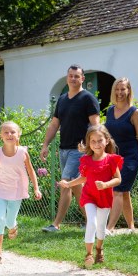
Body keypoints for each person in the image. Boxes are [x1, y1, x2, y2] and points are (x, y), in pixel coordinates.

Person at [40, 64, 101, 232]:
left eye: (77, 76)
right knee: (76, 186)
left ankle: (56, 224)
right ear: (67, 78)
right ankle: (92, 222)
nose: (73, 78)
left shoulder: (88, 98)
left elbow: (96, 125)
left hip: (79, 150)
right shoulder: (62, 99)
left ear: (82, 79)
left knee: (65, 182)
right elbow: (54, 125)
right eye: (71, 75)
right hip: (63, 149)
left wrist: (90, 145)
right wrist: (45, 144)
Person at [58, 125, 122, 268]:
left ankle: (99, 249)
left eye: (100, 140)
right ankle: (89, 254)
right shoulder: (86, 159)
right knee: (91, 222)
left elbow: (118, 179)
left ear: (106, 141)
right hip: (89, 196)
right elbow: (83, 178)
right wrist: (68, 184)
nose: (97, 144)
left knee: (100, 227)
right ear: (88, 143)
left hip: (104, 197)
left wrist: (106, 185)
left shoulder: (111, 159)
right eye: (93, 141)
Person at [0, 121, 42, 265]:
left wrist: (36, 188)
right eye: (6, 132)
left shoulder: (23, 152)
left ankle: (13, 226)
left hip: (16, 190)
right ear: (1, 136)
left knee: (9, 221)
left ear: (18, 134)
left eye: (13, 132)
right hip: (1, 189)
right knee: (0, 219)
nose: (9, 135)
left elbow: (30, 170)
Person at [105, 77, 138, 233]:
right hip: (113, 158)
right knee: (124, 193)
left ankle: (109, 228)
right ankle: (131, 227)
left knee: (117, 189)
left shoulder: (135, 113)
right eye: (117, 89)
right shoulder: (110, 111)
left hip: (130, 157)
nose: (119, 92)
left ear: (129, 90)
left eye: (123, 89)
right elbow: (106, 135)